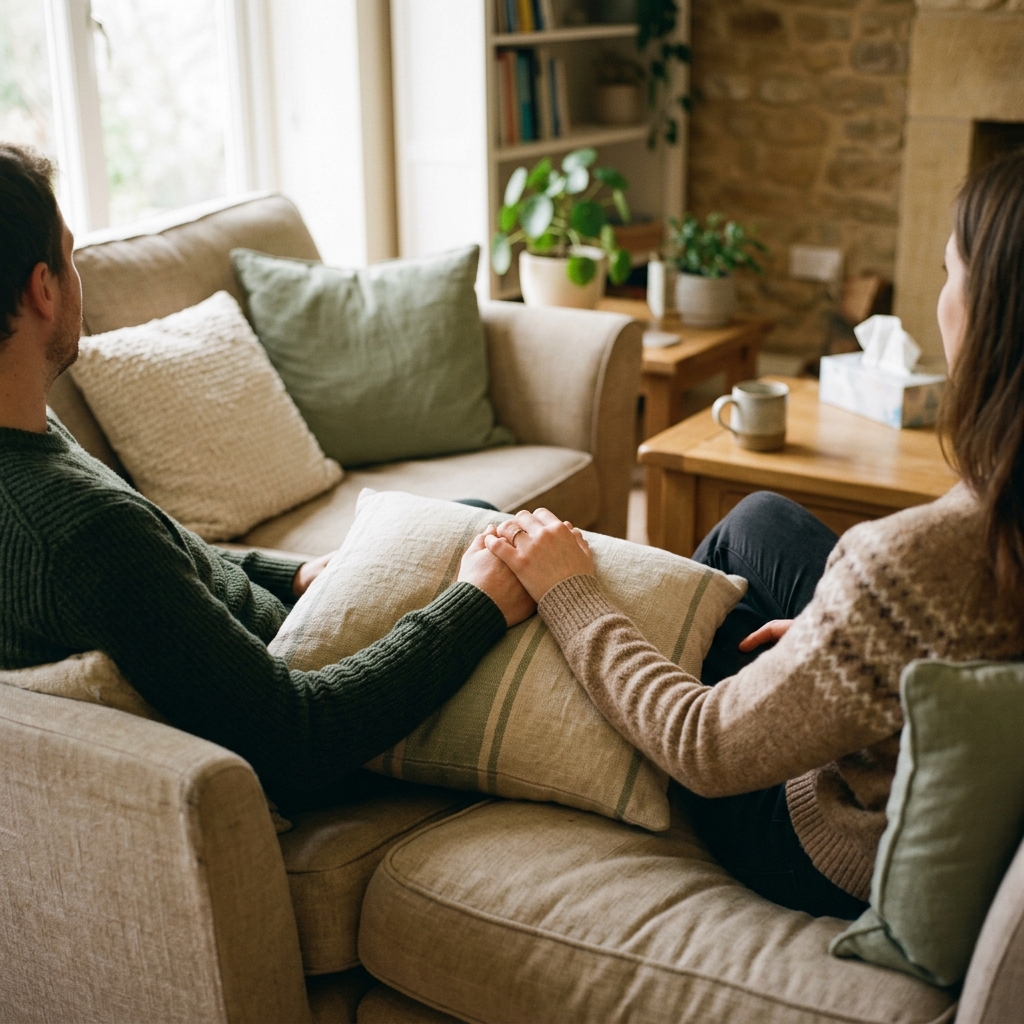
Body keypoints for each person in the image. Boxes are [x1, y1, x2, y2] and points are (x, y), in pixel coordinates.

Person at [481, 149, 1024, 918]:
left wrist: (570, 591)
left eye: (948, 272)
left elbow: (702, 745)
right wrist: (845, 641)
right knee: (757, 521)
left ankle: (593, 764)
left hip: (842, 844)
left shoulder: (920, 558)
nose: (940, 300)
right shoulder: (981, 528)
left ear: (991, 309)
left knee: (675, 617)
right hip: (925, 724)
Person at [0, 142, 534, 807]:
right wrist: (477, 604)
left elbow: (163, 560)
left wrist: (296, 573)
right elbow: (302, 737)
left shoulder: (31, 441)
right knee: (505, 549)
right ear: (43, 289)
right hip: (313, 692)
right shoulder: (76, 532)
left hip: (285, 622)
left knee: (472, 515)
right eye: (71, 257)